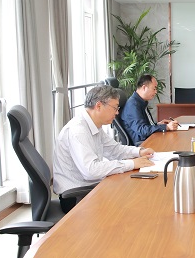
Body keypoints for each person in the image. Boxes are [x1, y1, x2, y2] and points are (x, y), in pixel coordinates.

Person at [53, 85, 155, 213]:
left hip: (90, 186)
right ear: (99, 106)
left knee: (135, 191)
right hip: (77, 197)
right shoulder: (78, 131)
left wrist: (139, 152)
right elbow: (91, 170)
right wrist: (132, 163)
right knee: (133, 201)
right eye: (115, 108)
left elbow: (114, 150)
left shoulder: (94, 125)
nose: (117, 113)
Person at [121, 75, 178, 145]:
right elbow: (142, 130)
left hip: (149, 138)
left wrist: (158, 124)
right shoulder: (133, 105)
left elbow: (145, 126)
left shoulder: (141, 102)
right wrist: (166, 127)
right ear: (144, 88)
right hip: (143, 143)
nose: (156, 92)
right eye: (154, 88)